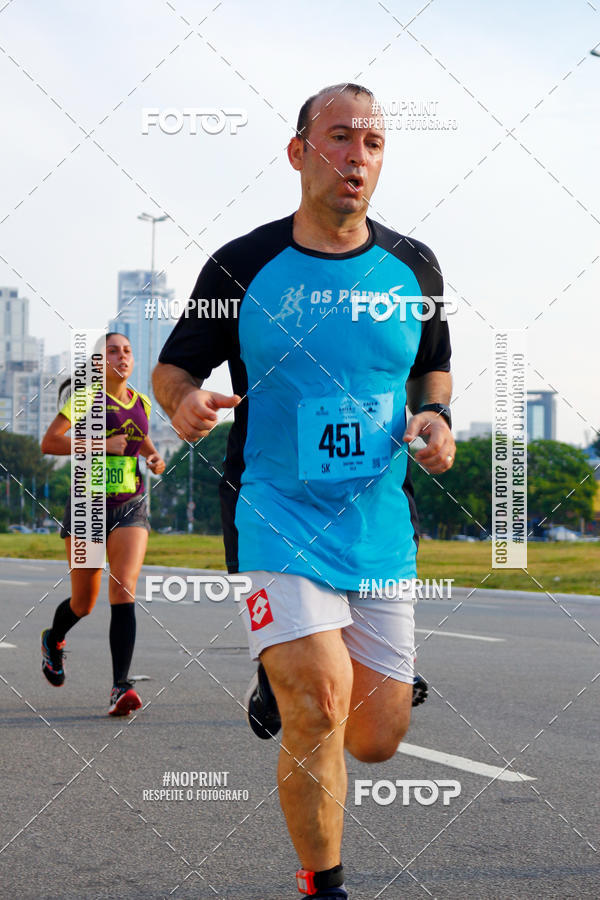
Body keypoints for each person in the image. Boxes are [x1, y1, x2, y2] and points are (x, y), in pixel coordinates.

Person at [153, 83, 455, 899]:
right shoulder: (242, 266)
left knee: (376, 740)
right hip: (274, 509)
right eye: (339, 138)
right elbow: (174, 368)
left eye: (373, 144)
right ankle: (325, 886)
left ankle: (278, 672)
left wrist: (436, 419)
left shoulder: (414, 265)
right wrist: (182, 403)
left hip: (379, 521)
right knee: (318, 706)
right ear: (299, 153)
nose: (357, 157)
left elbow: (433, 364)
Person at [40, 332, 165, 715]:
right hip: (86, 507)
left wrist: (155, 458)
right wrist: (97, 445)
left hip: (130, 504)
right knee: (83, 602)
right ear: (99, 361)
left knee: (124, 586)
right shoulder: (85, 399)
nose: (122, 356)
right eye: (113, 351)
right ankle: (53, 639)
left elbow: (138, 440)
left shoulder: (141, 402)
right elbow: (50, 442)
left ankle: (119, 687)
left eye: (127, 351)